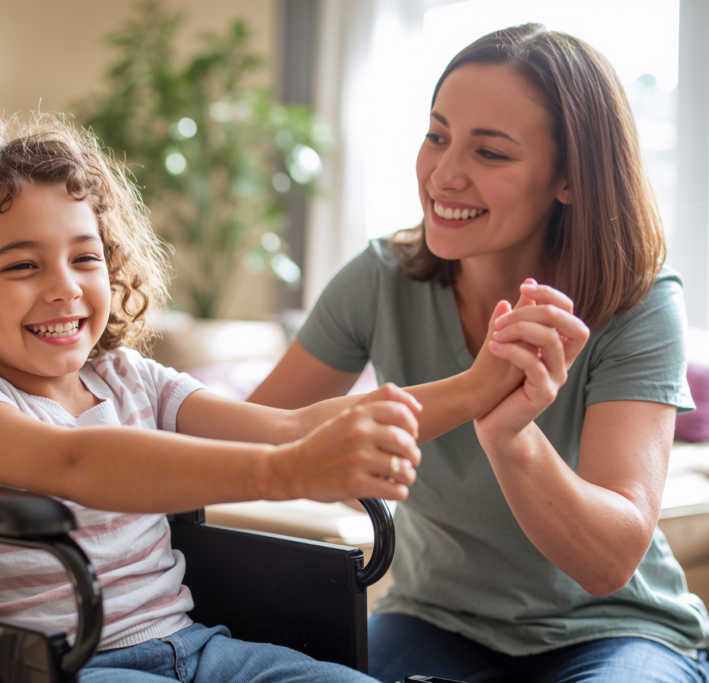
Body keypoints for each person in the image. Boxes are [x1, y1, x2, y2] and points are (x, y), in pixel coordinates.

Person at [0, 112, 436, 682]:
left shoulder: (129, 376)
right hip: (67, 669)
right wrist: (285, 473)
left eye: (85, 258)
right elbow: (75, 462)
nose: (65, 286)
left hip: (197, 646)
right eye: (21, 265)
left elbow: (289, 425)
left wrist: (486, 384)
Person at [249, 23, 709, 683]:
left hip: (615, 631)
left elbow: (609, 560)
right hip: (435, 619)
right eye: (437, 136)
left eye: (490, 153)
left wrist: (509, 433)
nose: (444, 173)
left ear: (569, 179)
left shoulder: (639, 302)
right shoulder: (380, 279)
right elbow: (243, 441)